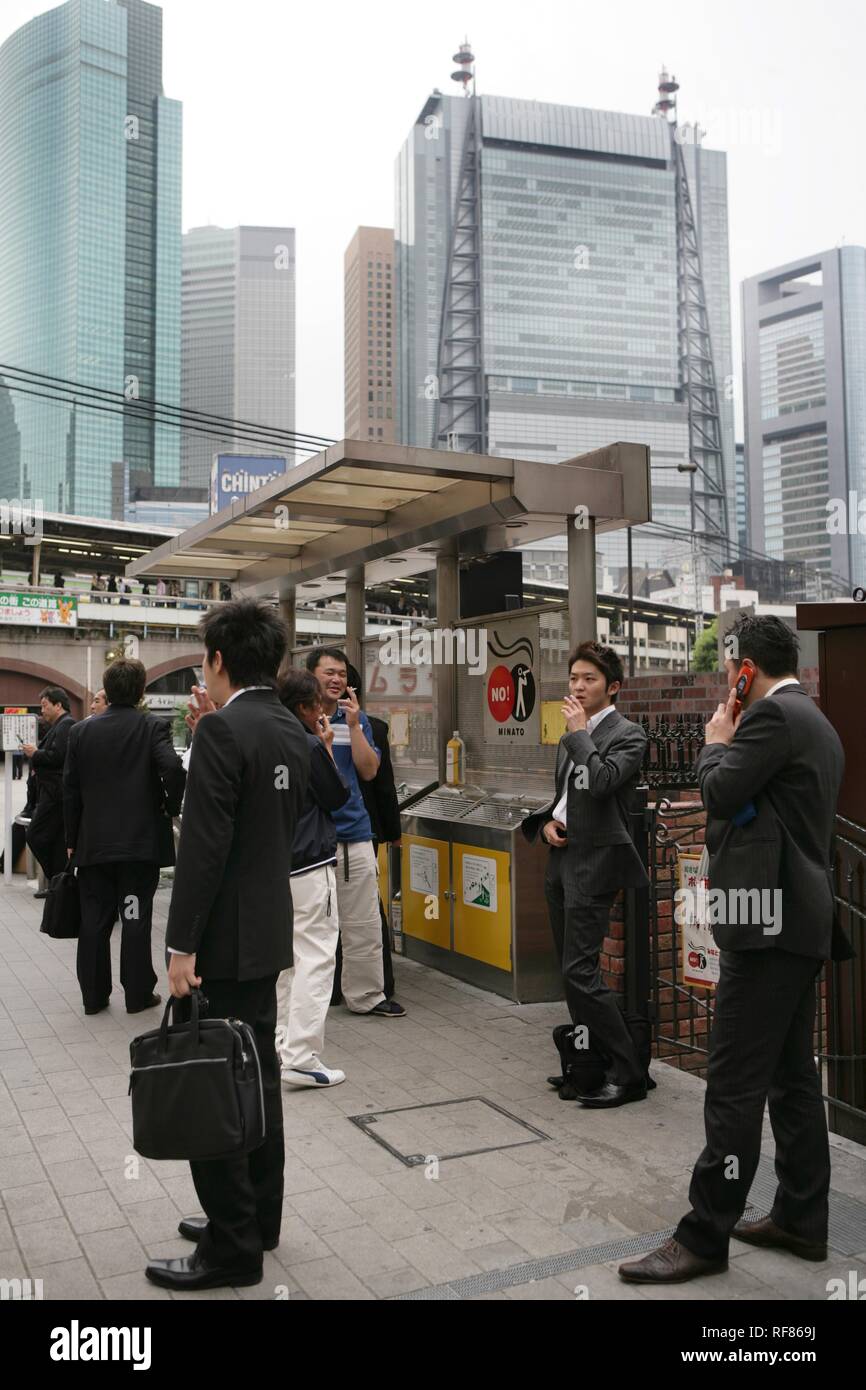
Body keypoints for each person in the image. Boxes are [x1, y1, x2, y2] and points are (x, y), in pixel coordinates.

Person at [619, 615, 847, 1285]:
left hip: (769, 928)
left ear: (744, 668)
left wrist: (716, 741)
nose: (726, 679)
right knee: (793, 1079)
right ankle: (801, 1218)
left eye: (730, 669)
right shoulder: (815, 720)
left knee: (733, 1085)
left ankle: (703, 1236)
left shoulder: (772, 720)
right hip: (798, 923)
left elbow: (717, 790)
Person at [145, 599, 309, 1293]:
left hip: (221, 939)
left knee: (217, 1084)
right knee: (258, 1078)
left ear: (217, 660)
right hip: (268, 932)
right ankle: (256, 1220)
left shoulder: (221, 732)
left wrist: (181, 945)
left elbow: (204, 849)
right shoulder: (287, 728)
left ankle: (231, 1247)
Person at [522, 641, 649, 1108]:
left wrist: (579, 734)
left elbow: (601, 783)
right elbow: (566, 797)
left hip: (595, 864)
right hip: (562, 859)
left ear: (612, 687)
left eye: (589, 679)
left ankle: (630, 1072)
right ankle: (585, 1065)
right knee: (570, 973)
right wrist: (550, 822)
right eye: (574, 677)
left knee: (581, 970)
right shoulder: (569, 735)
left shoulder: (629, 735)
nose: (577, 686)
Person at [64, 659, 185, 1017]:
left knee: (94, 920)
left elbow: (70, 792)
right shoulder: (151, 726)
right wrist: (169, 805)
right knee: (134, 917)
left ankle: (93, 997)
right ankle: (137, 993)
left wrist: (72, 838)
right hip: (138, 845)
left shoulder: (81, 732)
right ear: (140, 691)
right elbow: (174, 768)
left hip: (93, 844)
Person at [306, 647, 406, 1018]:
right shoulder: (298, 718)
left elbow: (369, 772)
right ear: (310, 676)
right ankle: (311, 997)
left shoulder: (357, 720)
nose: (337, 680)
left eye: (342, 674)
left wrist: (353, 726)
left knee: (363, 922)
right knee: (312, 924)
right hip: (310, 837)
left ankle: (366, 996)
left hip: (355, 834)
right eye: (328, 672)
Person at [277, 668, 350, 1087]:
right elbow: (336, 796)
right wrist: (323, 747)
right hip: (308, 862)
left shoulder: (269, 738)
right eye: (319, 704)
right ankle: (302, 1056)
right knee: (317, 956)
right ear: (306, 707)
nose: (324, 711)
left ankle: (280, 1042)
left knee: (285, 961)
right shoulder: (305, 744)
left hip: (274, 865)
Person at [331, 664, 402, 1003]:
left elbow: (379, 779)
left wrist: (390, 830)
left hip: (361, 829)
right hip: (360, 829)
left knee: (357, 911)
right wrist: (392, 831)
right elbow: (387, 790)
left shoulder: (369, 727)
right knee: (364, 911)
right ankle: (376, 985)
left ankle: (349, 988)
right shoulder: (374, 725)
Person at [23, 687, 76, 893]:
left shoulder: (67, 724)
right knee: (51, 839)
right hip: (50, 794)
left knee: (36, 835)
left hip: (55, 796)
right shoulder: (59, 726)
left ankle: (59, 877)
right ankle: (60, 881)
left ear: (58, 705)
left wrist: (36, 753)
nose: (42, 710)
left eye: (45, 706)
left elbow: (58, 756)